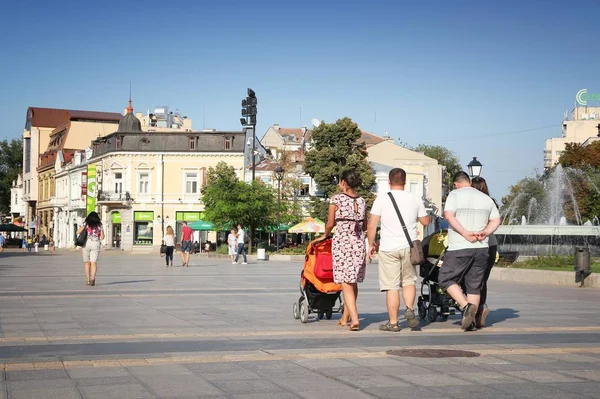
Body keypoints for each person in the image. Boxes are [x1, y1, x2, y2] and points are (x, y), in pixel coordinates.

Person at [367, 168, 431, 332]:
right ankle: (409, 309)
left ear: (389, 181)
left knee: (392, 286)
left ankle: (394, 323)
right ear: (405, 181)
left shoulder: (381, 199)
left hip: (389, 248)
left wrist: (370, 245)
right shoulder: (414, 199)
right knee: (409, 281)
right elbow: (426, 221)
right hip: (409, 248)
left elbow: (372, 225)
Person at [439, 171, 501, 331]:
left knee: (445, 278)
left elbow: (449, 216)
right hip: (481, 248)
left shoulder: (454, 195)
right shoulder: (485, 198)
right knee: (474, 285)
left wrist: (465, 232)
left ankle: (466, 306)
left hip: (459, 246)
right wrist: (485, 232)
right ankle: (471, 322)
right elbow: (496, 219)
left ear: (456, 184)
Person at [324, 169, 367, 331]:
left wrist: (324, 236)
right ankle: (345, 318)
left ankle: (354, 319)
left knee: (346, 282)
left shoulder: (336, 199)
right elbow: (364, 225)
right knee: (352, 281)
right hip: (358, 242)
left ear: (343, 182)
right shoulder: (362, 201)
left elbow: (330, 223)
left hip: (343, 243)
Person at [469, 176, 499, 328]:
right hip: (491, 244)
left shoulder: (468, 202)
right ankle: (481, 308)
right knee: (482, 280)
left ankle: (470, 311)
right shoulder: (491, 202)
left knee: (470, 279)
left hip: (472, 243)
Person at [76, 211, 105, 286]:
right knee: (93, 262)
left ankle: (88, 280)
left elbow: (78, 232)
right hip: (96, 244)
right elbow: (102, 237)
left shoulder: (86, 224)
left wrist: (84, 228)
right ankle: (93, 278)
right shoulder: (99, 225)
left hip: (86, 244)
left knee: (87, 262)